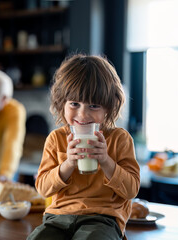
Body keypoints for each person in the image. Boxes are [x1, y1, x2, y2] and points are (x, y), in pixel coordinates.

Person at [27, 54, 140, 240]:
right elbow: (43, 188)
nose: (82, 114)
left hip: (103, 218)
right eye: (74, 104)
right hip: (58, 217)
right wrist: (69, 163)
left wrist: (105, 159)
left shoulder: (120, 139)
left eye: (94, 106)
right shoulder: (56, 139)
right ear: (61, 103)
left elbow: (131, 190)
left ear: (109, 108)